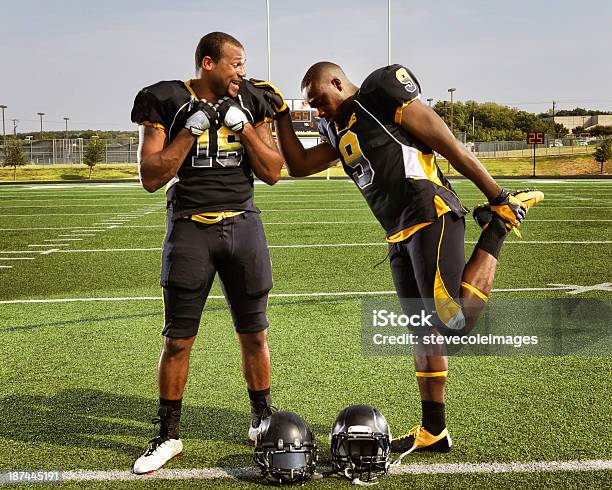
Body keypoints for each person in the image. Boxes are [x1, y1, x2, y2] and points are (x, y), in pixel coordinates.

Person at [252, 62, 542, 459]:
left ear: (338, 83)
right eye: (312, 106)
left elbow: (448, 144)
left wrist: (497, 196)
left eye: (320, 100)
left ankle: (495, 229)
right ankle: (434, 431)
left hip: (431, 214)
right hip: (398, 234)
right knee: (425, 334)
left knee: (454, 322)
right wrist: (283, 118)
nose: (318, 111)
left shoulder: (380, 93)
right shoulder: (336, 125)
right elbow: (300, 166)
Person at [129, 31, 285, 474]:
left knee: (255, 333)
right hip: (190, 230)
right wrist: (191, 132)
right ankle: (168, 433)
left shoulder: (254, 100)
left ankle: (261, 416)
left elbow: (273, 171)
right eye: (235, 63)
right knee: (178, 340)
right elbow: (151, 176)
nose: (243, 71)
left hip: (243, 226)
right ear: (208, 63)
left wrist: (246, 127)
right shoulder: (166, 100)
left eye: (244, 63)